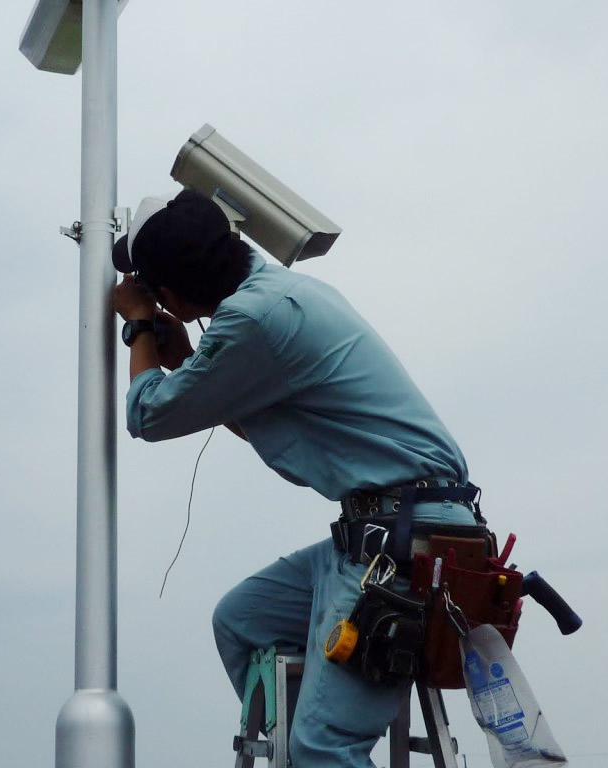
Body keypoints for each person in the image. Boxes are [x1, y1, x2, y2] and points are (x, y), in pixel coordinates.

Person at [111, 189, 479, 768]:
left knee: (323, 746)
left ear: (174, 296)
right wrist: (186, 362)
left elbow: (147, 415)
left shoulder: (254, 318)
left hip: (404, 541)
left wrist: (137, 326)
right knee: (243, 620)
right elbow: (251, 414)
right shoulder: (280, 295)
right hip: (385, 526)